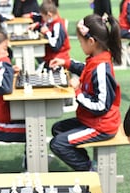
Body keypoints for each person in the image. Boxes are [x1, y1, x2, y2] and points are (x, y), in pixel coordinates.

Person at [49, 14, 122, 171]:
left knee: (57, 144)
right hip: (90, 119)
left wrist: (78, 91)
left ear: (91, 42)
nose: (80, 45)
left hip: (101, 125)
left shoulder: (102, 68)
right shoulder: (96, 59)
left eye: (81, 42)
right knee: (57, 129)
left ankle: (89, 169)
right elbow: (85, 69)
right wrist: (66, 63)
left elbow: (101, 105)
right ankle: (87, 162)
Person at [28, 0, 70, 68]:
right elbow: (44, 26)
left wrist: (47, 33)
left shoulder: (58, 25)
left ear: (49, 15)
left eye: (43, 17)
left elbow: (56, 46)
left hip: (57, 58)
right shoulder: (50, 22)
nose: (43, 19)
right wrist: (37, 26)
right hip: (50, 56)